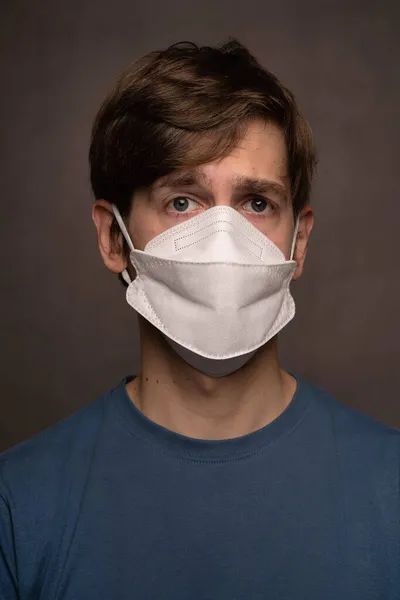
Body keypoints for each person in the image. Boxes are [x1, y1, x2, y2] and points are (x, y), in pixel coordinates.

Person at [0, 39, 399, 600]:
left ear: (299, 241)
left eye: (257, 203)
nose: (222, 239)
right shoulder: (18, 509)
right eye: (182, 202)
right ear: (114, 238)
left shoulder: (392, 489)